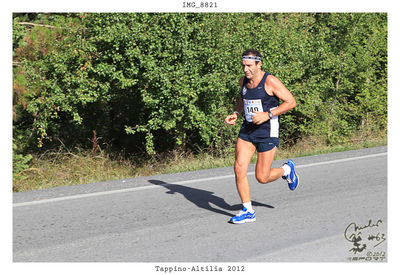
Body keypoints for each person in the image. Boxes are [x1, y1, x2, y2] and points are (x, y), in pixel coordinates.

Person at [224, 49, 299, 224]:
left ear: (259, 64)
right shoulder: (243, 81)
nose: (245, 69)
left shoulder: (270, 81)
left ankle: (287, 170)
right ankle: (248, 210)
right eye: (243, 65)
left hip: (267, 131)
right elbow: (242, 99)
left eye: (249, 65)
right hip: (247, 130)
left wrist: (268, 114)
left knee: (262, 177)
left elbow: (291, 102)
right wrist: (236, 112)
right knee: (239, 168)